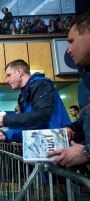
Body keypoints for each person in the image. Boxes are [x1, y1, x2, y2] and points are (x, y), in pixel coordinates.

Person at [0, 59, 71, 142]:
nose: (6, 80)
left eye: (9, 75)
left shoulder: (42, 85)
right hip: (43, 143)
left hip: (56, 142)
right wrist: (6, 135)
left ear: (19, 71)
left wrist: (5, 120)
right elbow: (29, 125)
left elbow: (41, 116)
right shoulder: (25, 93)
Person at [47, 10, 90, 167]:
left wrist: (86, 152)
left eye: (71, 41)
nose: (69, 50)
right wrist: (69, 130)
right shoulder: (84, 83)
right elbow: (85, 121)